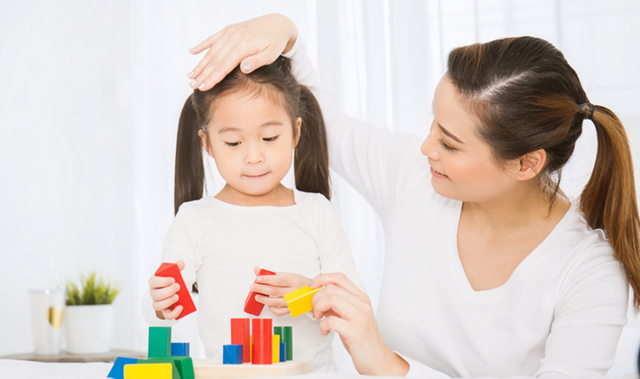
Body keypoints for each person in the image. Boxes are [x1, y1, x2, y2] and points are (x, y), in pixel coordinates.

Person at [186, 14, 640, 378]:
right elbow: (326, 126)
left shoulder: (589, 273)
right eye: (432, 125)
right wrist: (287, 35)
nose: (427, 148)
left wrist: (387, 365)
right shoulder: (416, 176)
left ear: (527, 163)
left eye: (450, 142)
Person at [147, 55, 365, 373]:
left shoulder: (316, 212)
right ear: (207, 144)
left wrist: (306, 295)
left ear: (295, 132)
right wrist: (160, 303)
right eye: (233, 142)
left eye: (269, 138)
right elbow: (159, 303)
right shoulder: (195, 219)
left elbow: (352, 304)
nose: (253, 156)